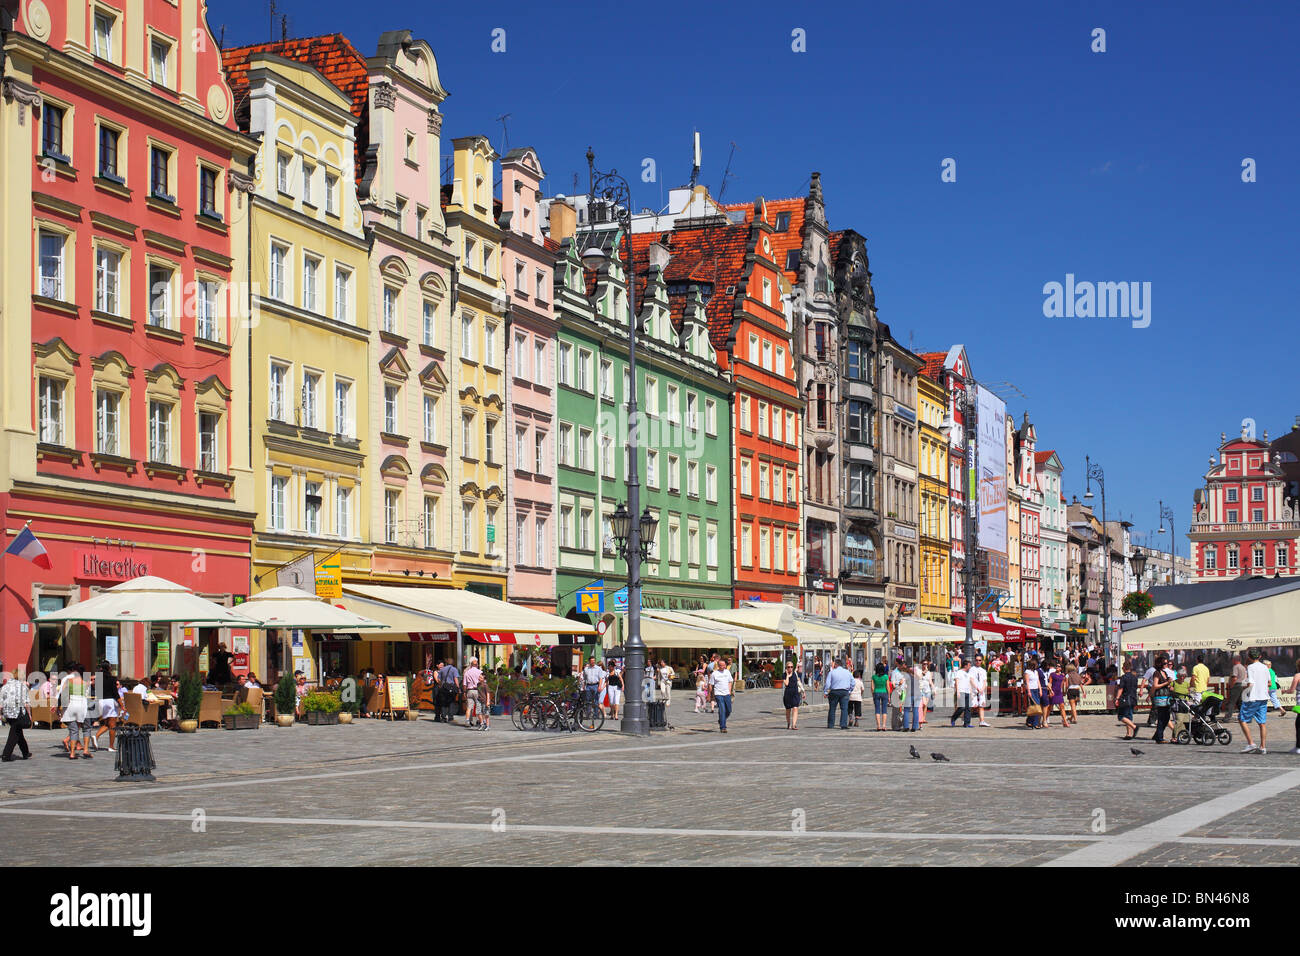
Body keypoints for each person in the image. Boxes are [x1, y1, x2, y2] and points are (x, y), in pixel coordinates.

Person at [1238, 649, 1271, 754]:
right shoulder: (1265, 667)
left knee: (1242, 719)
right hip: (1263, 697)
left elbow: (1250, 683)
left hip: (1253, 697)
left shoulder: (1250, 667)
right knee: (1262, 723)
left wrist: (1244, 690)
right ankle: (1263, 747)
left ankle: (1251, 743)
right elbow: (1269, 683)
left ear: (1249, 657)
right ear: (1260, 656)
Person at [1, 664, 33, 762]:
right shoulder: (22, 686)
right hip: (18, 713)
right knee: (14, 734)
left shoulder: (5, 686)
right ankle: (6, 755)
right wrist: (30, 714)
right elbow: (26, 702)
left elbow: (1, 703)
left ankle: (25, 752)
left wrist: (0, 714)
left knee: (17, 732)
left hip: (8, 713)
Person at [58, 665, 91, 760]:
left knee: (73, 730)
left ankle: (72, 753)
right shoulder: (85, 683)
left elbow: (63, 696)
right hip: (82, 705)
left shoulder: (69, 681)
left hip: (71, 705)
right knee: (87, 728)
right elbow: (87, 694)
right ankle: (85, 750)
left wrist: (60, 709)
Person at [92, 661, 120, 752]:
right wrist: (122, 706)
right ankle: (111, 746)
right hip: (110, 701)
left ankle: (96, 736)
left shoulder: (98, 679)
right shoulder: (112, 679)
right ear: (109, 668)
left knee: (107, 724)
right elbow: (115, 694)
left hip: (101, 701)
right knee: (113, 725)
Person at [1150, 656, 1174, 744]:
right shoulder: (1156, 673)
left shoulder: (1164, 672)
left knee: (1167, 716)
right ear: (1160, 664)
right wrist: (1166, 683)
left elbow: (1165, 684)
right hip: (1160, 698)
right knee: (1162, 717)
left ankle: (1157, 735)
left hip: (1166, 697)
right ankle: (1159, 737)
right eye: (1164, 663)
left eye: (1167, 663)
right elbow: (1155, 685)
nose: (1166, 665)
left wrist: (1169, 686)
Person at [825, 657, 853, 730]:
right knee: (844, 708)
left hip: (834, 691)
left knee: (832, 708)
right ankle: (843, 724)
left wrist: (826, 692)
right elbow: (853, 682)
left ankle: (831, 724)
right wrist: (850, 690)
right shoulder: (847, 672)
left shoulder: (832, 672)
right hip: (844, 691)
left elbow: (828, 683)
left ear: (836, 665)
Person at [709, 657, 734, 733]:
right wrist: (711, 694)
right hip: (718, 694)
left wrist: (729, 690)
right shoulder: (714, 674)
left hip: (727, 693)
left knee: (729, 710)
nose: (723, 667)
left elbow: (730, 681)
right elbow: (710, 684)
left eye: (724, 665)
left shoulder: (727, 672)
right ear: (718, 666)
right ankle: (723, 727)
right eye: (721, 665)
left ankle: (721, 720)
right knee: (722, 710)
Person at [1117, 660, 1140, 740]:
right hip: (1133, 698)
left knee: (1121, 716)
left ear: (1123, 668)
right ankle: (1128, 734)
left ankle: (1134, 727)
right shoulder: (1134, 677)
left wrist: (1117, 698)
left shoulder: (1124, 677)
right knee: (1129, 716)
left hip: (1126, 698)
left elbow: (1121, 688)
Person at [950, 659, 973, 728]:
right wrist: (958, 692)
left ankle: (967, 723)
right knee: (962, 707)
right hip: (961, 691)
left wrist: (971, 693)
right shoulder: (959, 672)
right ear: (965, 666)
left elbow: (969, 683)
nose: (970, 667)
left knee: (968, 708)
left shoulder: (969, 673)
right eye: (969, 665)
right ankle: (953, 718)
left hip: (967, 691)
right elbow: (956, 682)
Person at [438, 658, 461, 724]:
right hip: (451, 687)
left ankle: (443, 717)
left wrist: (440, 685)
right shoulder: (454, 669)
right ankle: (450, 717)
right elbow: (455, 679)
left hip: (444, 687)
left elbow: (439, 679)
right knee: (451, 702)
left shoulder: (442, 669)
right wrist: (458, 688)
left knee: (444, 702)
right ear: (453, 663)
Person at [1226, 653, 1248, 720]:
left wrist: (1231, 686)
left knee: (1232, 702)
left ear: (1235, 660)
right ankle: (1244, 716)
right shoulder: (1243, 667)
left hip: (1236, 685)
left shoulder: (1236, 667)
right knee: (1240, 702)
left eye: (1232, 660)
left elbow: (1234, 678)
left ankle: (1228, 717)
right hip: (1242, 685)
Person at [463, 657, 484, 727]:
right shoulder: (479, 672)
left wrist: (464, 692)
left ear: (471, 665)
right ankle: (479, 721)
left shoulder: (466, 672)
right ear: (477, 665)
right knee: (478, 707)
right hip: (477, 690)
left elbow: (464, 684)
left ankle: (467, 721)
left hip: (469, 691)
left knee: (469, 707)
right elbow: (482, 682)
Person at [970, 656, 990, 727]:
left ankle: (982, 721)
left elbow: (985, 681)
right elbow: (971, 679)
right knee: (972, 706)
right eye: (976, 660)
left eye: (979, 660)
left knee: (981, 706)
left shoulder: (983, 670)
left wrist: (982, 688)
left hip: (981, 690)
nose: (978, 661)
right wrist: (976, 688)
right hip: (974, 689)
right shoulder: (972, 669)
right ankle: (966, 720)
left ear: (982, 661)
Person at [782, 661, 803, 730]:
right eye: (788, 667)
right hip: (788, 694)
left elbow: (798, 682)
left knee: (795, 708)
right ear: (786, 668)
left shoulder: (795, 673)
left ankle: (794, 725)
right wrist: (787, 675)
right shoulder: (784, 675)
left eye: (791, 667)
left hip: (795, 694)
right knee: (788, 710)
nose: (790, 668)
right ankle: (788, 723)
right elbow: (786, 684)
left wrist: (803, 691)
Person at [871, 662, 889, 732]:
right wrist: (889, 695)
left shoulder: (873, 677)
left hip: (876, 692)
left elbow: (872, 687)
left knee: (877, 709)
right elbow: (888, 687)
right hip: (884, 692)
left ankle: (878, 726)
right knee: (884, 709)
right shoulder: (886, 677)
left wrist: (873, 694)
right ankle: (884, 725)